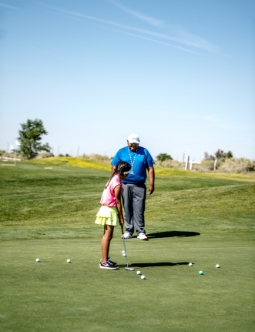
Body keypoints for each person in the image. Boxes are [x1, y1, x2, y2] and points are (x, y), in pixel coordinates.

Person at [111, 133, 155, 241]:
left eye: (135, 144)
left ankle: (140, 231)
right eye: (131, 143)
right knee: (127, 208)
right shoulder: (121, 152)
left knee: (139, 209)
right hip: (124, 184)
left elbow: (150, 168)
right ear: (127, 142)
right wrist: (114, 181)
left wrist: (151, 184)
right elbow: (114, 166)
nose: (133, 146)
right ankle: (128, 230)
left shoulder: (144, 152)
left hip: (139, 185)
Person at [95, 161, 131, 270]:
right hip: (109, 210)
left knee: (106, 236)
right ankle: (104, 262)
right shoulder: (117, 183)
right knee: (108, 236)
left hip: (105, 209)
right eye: (128, 173)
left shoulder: (113, 178)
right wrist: (121, 217)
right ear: (124, 173)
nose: (128, 175)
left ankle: (104, 259)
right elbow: (118, 202)